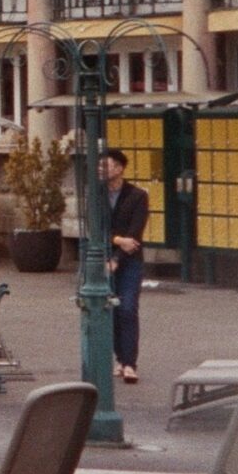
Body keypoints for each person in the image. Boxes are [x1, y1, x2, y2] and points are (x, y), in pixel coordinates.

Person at [105, 148, 152, 385]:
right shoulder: (97, 195)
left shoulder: (137, 196)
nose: (103, 169)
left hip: (129, 262)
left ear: (120, 168)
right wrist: (117, 241)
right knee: (111, 311)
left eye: (108, 165)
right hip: (105, 262)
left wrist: (117, 258)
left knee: (128, 308)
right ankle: (120, 359)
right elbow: (97, 231)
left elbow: (135, 235)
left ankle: (130, 364)